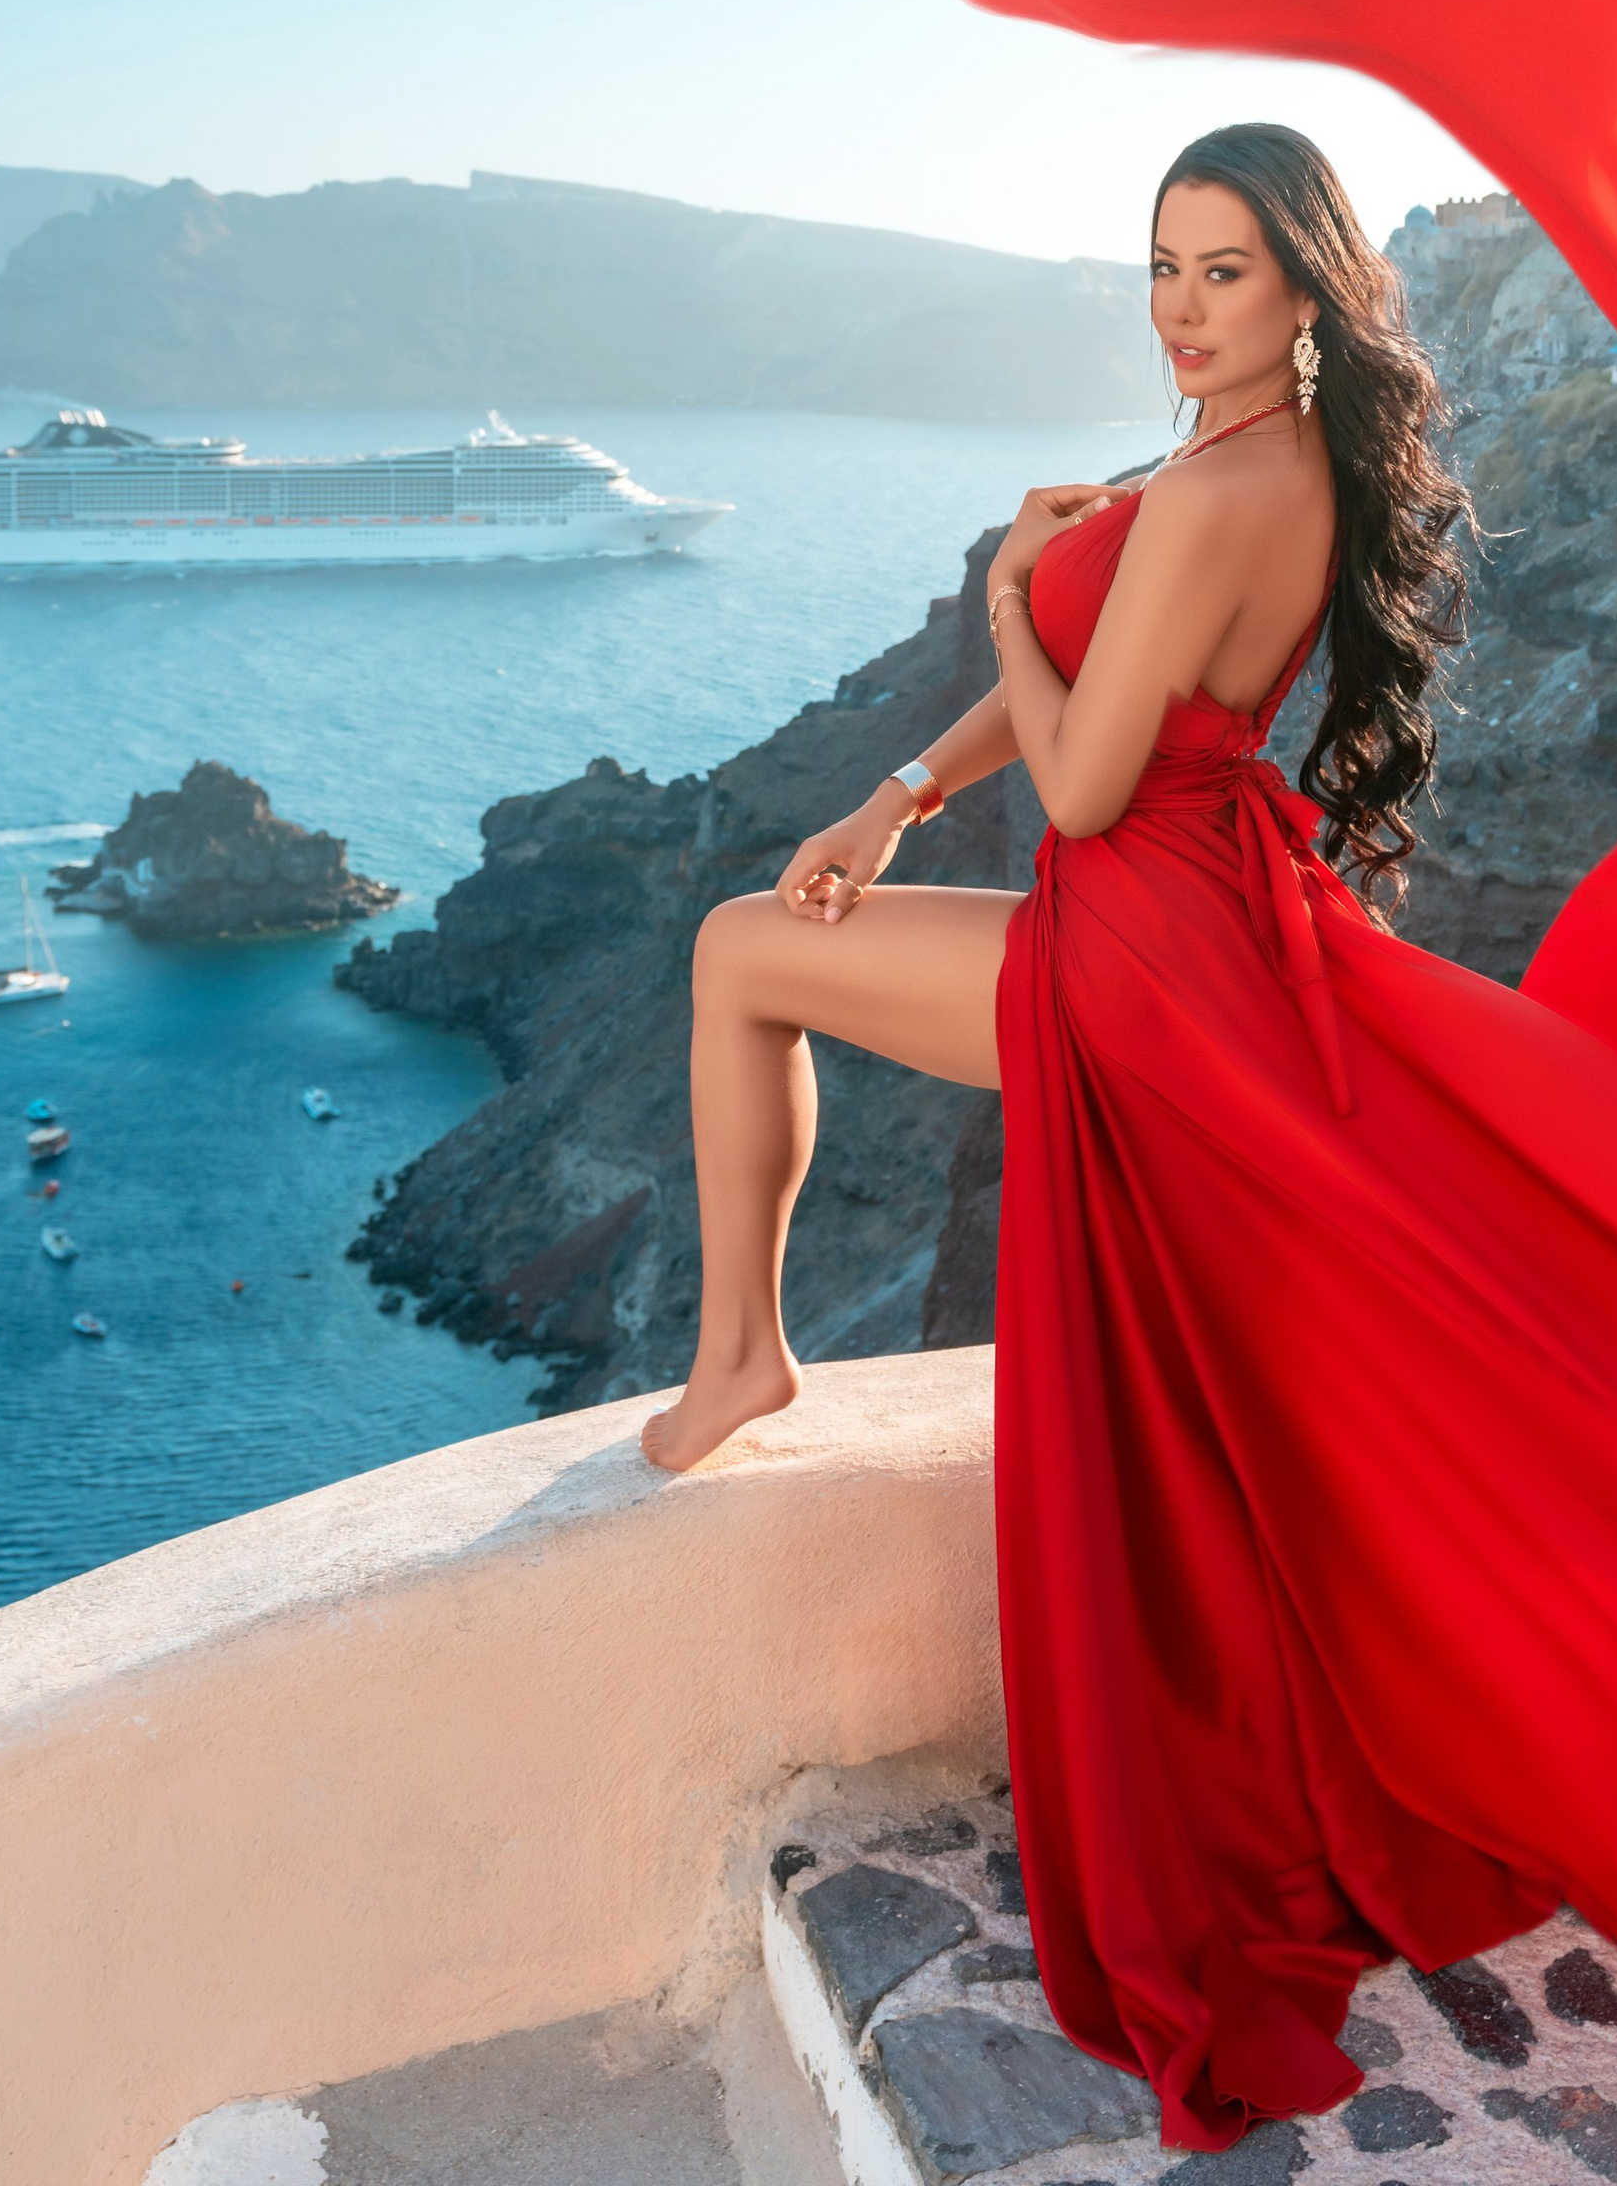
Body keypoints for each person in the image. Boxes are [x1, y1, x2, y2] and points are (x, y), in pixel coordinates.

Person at [644, 119, 1479, 2151]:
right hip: (1190, 927)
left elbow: (1093, 771)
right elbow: (1071, 712)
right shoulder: (1236, 467)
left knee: (736, 960)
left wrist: (1014, 582)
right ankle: (749, 1351)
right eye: (1160, 267)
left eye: (1222, 272)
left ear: (1304, 287)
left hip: (1136, 945)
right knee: (760, 931)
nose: (1181, 309)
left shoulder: (1220, 484)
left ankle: (746, 1352)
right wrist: (892, 798)